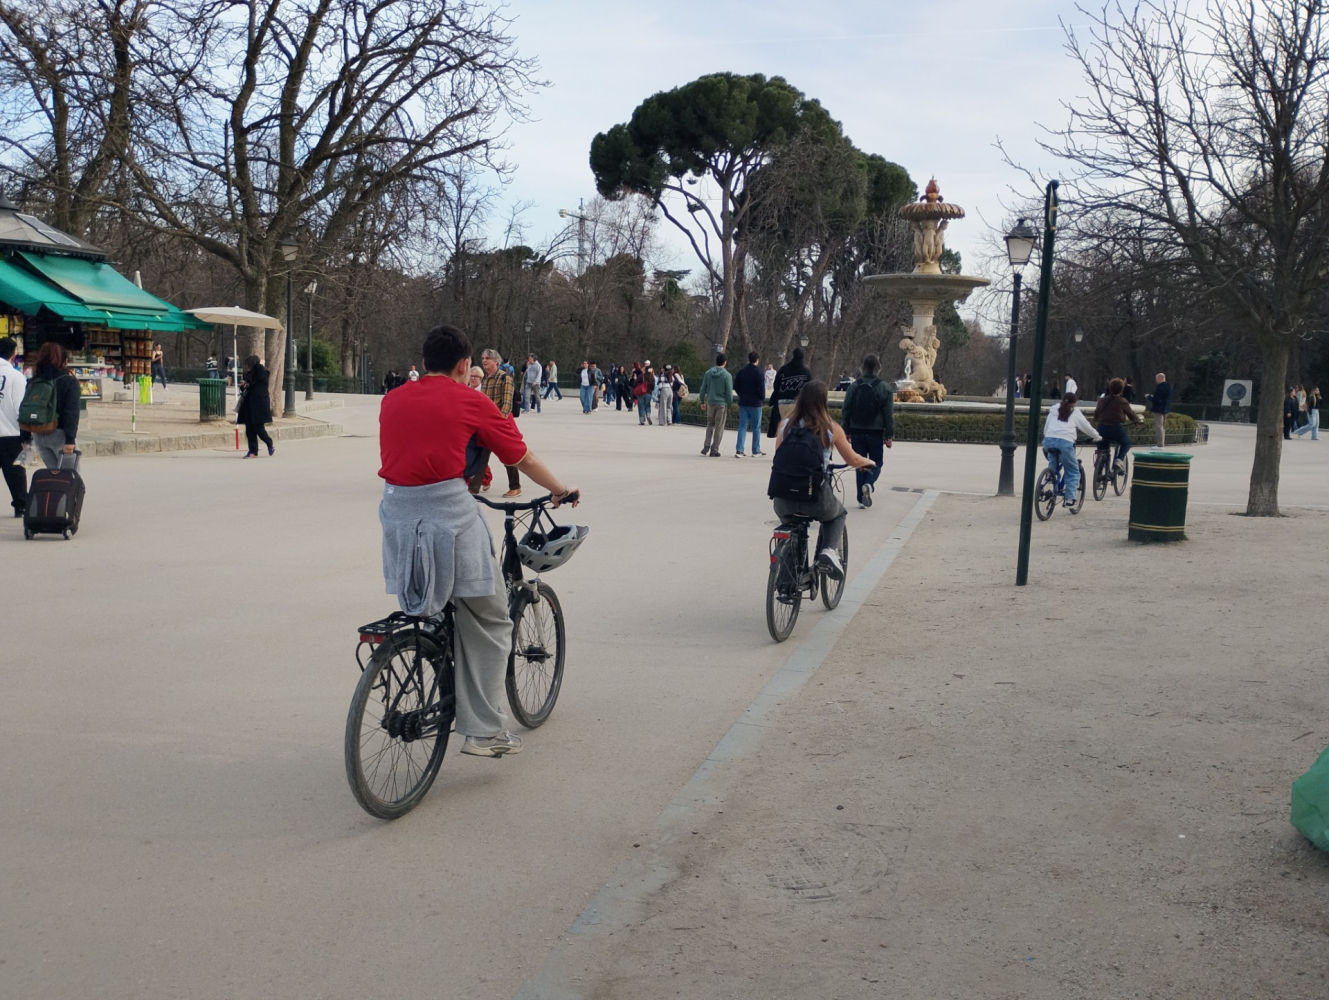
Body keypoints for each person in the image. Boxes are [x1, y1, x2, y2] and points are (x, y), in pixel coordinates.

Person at [378, 323, 579, 758]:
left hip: (396, 518)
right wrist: (560, 490)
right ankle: (484, 730)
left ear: (424, 359)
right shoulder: (472, 400)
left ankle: (432, 640)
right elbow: (520, 457)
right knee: (490, 620)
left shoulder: (392, 399)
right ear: (465, 364)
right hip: (449, 517)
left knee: (439, 603)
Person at [771, 380, 874, 579]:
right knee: (837, 515)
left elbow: (778, 457)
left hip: (782, 498)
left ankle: (786, 582)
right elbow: (852, 459)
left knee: (789, 525)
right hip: (815, 497)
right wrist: (868, 463)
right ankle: (828, 551)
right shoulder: (831, 428)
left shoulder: (784, 425)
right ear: (823, 401)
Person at [840, 354, 895, 508]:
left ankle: (860, 499)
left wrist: (846, 430)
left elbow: (846, 409)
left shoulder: (854, 386)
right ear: (878, 368)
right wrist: (889, 435)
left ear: (862, 367)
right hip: (875, 431)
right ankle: (869, 484)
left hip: (856, 430)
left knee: (860, 463)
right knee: (877, 463)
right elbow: (888, 414)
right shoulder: (884, 387)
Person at [473, 348, 521, 497]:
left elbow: (507, 404)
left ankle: (515, 487)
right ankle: (474, 488)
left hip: (500, 424)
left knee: (508, 456)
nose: (484, 361)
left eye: (487, 358)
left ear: (496, 361)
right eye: (482, 358)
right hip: (486, 424)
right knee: (482, 456)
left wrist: (499, 423)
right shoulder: (486, 379)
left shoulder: (504, 378)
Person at [1042, 393, 1101, 512]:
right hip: (1065, 443)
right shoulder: (1075, 412)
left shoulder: (1053, 410)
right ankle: (1070, 499)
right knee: (1073, 471)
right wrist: (1097, 436)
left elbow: (1046, 428)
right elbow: (1086, 427)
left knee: (1053, 466)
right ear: (1074, 403)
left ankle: (1045, 487)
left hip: (1048, 441)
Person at [0, 336, 30, 516]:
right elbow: (20, 407)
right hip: (10, 432)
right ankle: (21, 505)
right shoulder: (16, 376)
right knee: (16, 472)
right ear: (13, 355)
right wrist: (27, 434)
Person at [1093, 377, 1143, 472]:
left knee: (1102, 448)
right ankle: (1119, 460)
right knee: (1126, 443)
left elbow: (1096, 415)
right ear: (1122, 389)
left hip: (1101, 428)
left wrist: (1097, 419)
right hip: (1116, 429)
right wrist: (1137, 421)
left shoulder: (1101, 400)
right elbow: (1131, 414)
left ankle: (1099, 469)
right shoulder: (1122, 401)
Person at [236, 354, 275, 458]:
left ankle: (269, 443)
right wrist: (244, 386)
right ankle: (253, 451)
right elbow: (247, 387)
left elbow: (259, 376)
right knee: (249, 429)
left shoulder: (262, 372)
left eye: (249, 364)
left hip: (259, 404)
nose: (247, 366)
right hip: (249, 404)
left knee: (259, 428)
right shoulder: (248, 374)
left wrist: (259, 364)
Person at [698, 352, 734, 456]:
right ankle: (714, 449)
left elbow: (703, 388)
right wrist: (730, 404)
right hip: (722, 404)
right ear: (725, 363)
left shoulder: (708, 373)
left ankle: (706, 446)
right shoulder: (727, 375)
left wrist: (702, 401)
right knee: (719, 427)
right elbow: (728, 392)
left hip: (710, 402)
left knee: (710, 424)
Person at [732, 351, 765, 457]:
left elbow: (736, 385)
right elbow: (761, 388)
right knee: (756, 427)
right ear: (757, 360)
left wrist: (741, 394)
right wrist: (761, 398)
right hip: (755, 403)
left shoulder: (742, 371)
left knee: (742, 426)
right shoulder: (759, 372)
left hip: (744, 401)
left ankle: (739, 450)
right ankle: (756, 450)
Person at [771, 347, 812, 420]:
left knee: (781, 427)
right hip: (798, 405)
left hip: (782, 403)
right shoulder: (806, 372)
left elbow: (776, 385)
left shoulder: (783, 369)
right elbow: (809, 389)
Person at [1146, 372, 1171, 447]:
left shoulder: (1160, 387)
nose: (1156, 380)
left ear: (1161, 378)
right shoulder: (1168, 386)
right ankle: (1162, 443)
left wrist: (1148, 397)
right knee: (1162, 426)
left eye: (1157, 379)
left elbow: (1157, 399)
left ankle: (1160, 444)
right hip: (1165, 408)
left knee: (1158, 426)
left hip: (1159, 409)